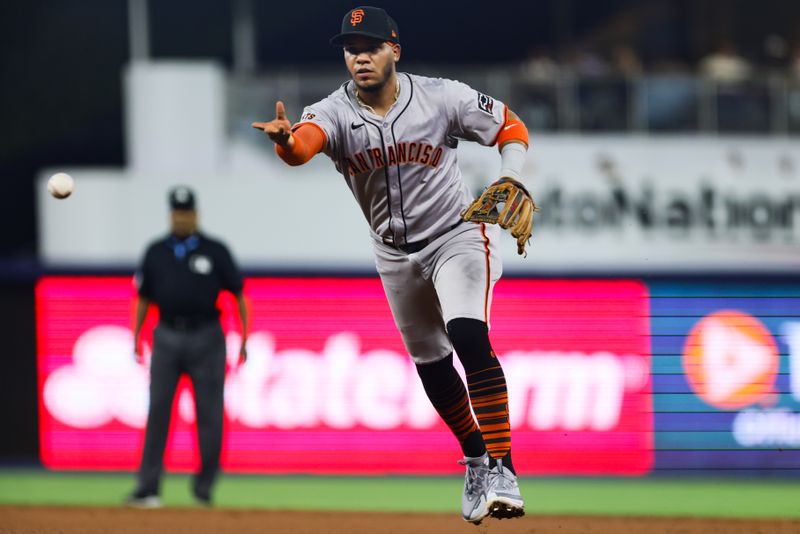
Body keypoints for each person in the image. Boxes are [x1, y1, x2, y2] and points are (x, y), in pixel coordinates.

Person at [252, 6, 528, 524]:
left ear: (394, 50)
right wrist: (288, 142)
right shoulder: (332, 111)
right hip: (393, 252)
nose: (360, 56)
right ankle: (475, 460)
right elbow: (304, 146)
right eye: (351, 48)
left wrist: (513, 175)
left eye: (371, 46)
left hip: (456, 235)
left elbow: (510, 125)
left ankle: (504, 469)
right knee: (431, 364)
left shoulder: (442, 96)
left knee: (468, 336)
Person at [125, 186, 248, 508]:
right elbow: (143, 297)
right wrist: (136, 336)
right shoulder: (155, 251)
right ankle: (148, 488)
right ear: (171, 214)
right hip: (166, 334)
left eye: (186, 212)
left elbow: (238, 294)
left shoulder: (215, 250)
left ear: (195, 214)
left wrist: (245, 338)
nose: (181, 217)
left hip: (207, 336)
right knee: (158, 412)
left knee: (210, 416)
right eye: (176, 212)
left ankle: (204, 488)